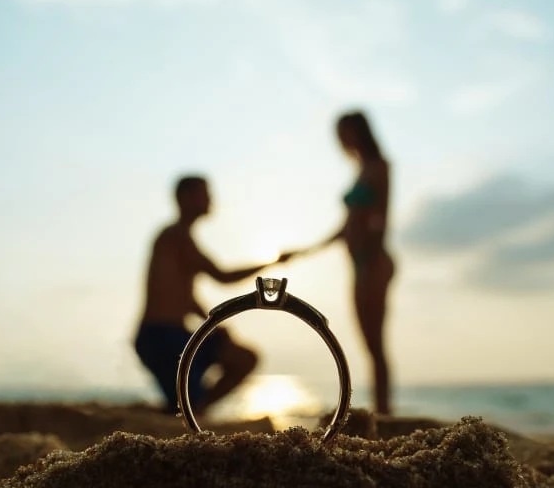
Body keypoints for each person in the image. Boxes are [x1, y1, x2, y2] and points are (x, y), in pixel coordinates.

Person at [134, 175, 292, 414]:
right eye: (203, 194)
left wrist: (211, 324)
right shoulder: (175, 237)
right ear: (184, 198)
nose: (210, 200)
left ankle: (194, 412)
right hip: (162, 339)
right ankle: (196, 412)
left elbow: (182, 298)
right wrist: (273, 262)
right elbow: (223, 276)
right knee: (190, 401)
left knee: (240, 360)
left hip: (170, 336)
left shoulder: (177, 239)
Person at [294, 111, 397, 415]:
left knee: (375, 345)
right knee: (369, 345)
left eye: (345, 131)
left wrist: (370, 265)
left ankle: (384, 413)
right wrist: (308, 250)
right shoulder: (361, 169)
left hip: (373, 262)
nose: (341, 139)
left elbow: (380, 219)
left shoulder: (379, 167)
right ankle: (382, 410)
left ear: (360, 131)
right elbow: (347, 227)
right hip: (360, 263)